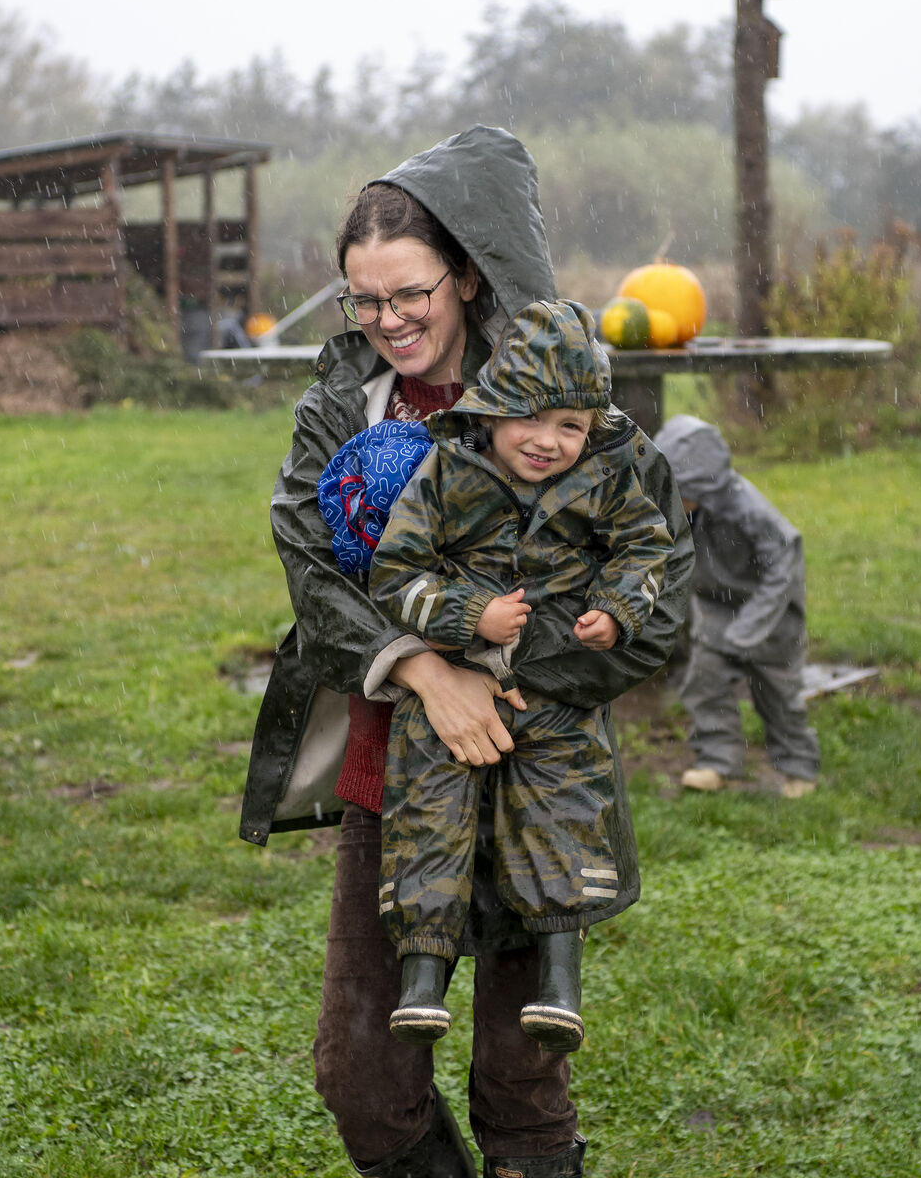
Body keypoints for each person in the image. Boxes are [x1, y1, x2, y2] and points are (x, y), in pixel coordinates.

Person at [238, 127, 693, 1178]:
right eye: (365, 299)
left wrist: (517, 668)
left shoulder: (560, 402)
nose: (389, 321)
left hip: (532, 771)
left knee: (520, 1081)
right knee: (363, 1074)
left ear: (468, 276)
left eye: (411, 293)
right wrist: (424, 667)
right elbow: (312, 573)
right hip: (389, 776)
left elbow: (659, 596)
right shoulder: (341, 407)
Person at [329, 300, 673, 1055]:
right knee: (429, 814)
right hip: (453, 682)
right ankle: (423, 978)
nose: (550, 442)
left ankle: (560, 984)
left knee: (564, 814)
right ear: (490, 411)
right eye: (529, 418)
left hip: (554, 697)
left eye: (572, 427)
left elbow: (649, 552)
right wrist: (466, 616)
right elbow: (397, 572)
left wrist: (615, 610)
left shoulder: (608, 481)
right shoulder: (447, 469)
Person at [651, 415, 821, 797]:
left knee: (778, 696)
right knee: (704, 684)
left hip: (771, 614)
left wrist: (749, 630)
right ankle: (717, 761)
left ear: (704, 485)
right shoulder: (683, 512)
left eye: (681, 491)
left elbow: (783, 567)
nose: (675, 500)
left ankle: (799, 769)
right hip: (716, 607)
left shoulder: (749, 510)